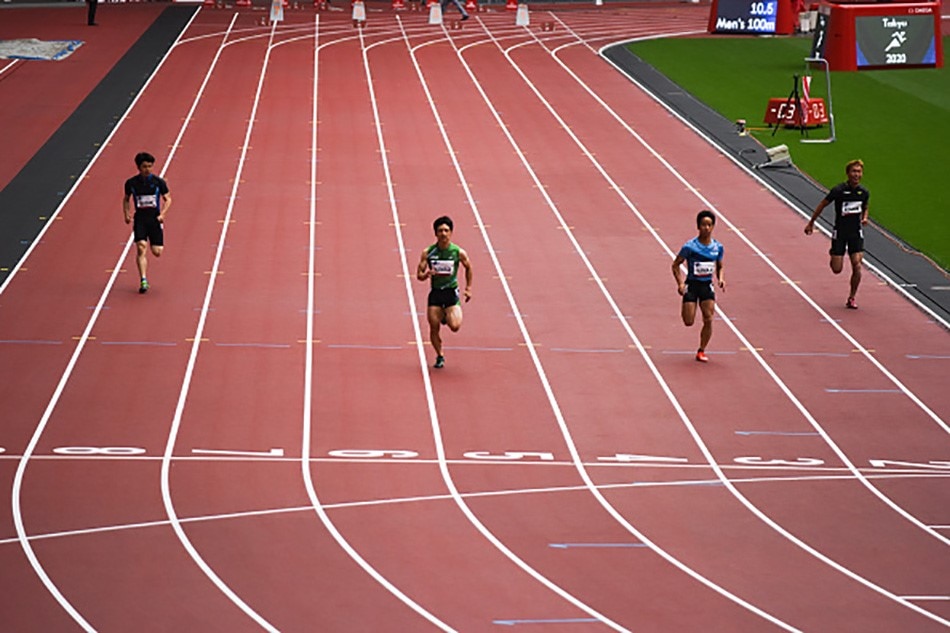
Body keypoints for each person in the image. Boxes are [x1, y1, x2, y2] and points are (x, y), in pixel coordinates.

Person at [804, 159, 870, 309]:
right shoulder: (839, 191)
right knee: (837, 269)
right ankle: (834, 252)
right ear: (848, 173)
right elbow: (822, 204)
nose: (856, 174)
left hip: (856, 233)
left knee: (857, 265)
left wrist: (865, 218)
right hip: (840, 232)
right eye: (854, 171)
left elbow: (865, 207)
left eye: (859, 171)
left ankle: (852, 297)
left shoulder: (863, 192)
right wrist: (811, 222)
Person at [417, 215, 472, 369]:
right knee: (433, 327)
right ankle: (440, 355)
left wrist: (468, 288)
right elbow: (418, 275)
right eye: (440, 230)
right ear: (435, 233)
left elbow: (469, 267)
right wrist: (427, 274)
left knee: (455, 326)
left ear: (451, 233)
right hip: (435, 293)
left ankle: (446, 316)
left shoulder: (458, 252)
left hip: (450, 293)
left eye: (446, 230)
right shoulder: (428, 252)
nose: (443, 233)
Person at [672, 210, 725, 363]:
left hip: (707, 285)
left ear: (713, 227)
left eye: (709, 225)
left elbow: (720, 266)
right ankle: (687, 306)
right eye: (703, 225)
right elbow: (675, 265)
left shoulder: (718, 247)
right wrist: (680, 283)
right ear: (698, 226)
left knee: (708, 319)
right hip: (692, 285)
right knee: (688, 321)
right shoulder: (690, 247)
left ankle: (701, 350)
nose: (706, 228)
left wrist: (721, 278)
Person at [123, 152, 171, 294]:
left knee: (157, 252)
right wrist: (126, 213)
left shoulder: (158, 182)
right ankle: (143, 280)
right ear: (138, 167)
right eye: (144, 166)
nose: (148, 169)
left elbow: (168, 199)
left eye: (150, 166)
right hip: (140, 219)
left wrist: (163, 214)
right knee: (141, 247)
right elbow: (126, 199)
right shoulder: (131, 183)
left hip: (155, 219)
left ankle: (154, 244)